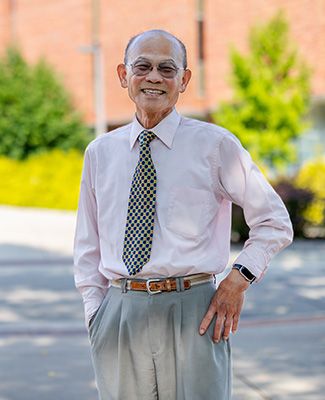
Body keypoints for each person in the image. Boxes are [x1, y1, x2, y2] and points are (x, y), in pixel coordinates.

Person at [73, 29, 293, 400]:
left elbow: (273, 221)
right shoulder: (100, 153)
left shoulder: (216, 145)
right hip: (119, 314)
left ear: (184, 80)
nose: (154, 77)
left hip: (195, 312)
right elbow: (87, 245)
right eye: (142, 66)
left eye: (167, 68)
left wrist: (237, 280)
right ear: (123, 75)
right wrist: (96, 315)